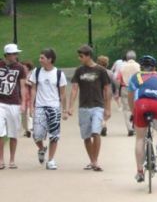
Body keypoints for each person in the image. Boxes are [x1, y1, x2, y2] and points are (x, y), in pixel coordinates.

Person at [128, 54, 157, 183]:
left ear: (141, 66)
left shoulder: (135, 77)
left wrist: (133, 111)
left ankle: (139, 172)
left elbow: (130, 97)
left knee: (140, 139)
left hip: (141, 105)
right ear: (154, 67)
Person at [67, 44, 111, 172]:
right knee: (86, 136)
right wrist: (71, 106)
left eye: (81, 56)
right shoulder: (79, 71)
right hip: (84, 107)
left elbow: (107, 89)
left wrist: (107, 108)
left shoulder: (101, 70)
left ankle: (95, 161)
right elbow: (74, 89)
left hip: (98, 105)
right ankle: (92, 160)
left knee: (96, 132)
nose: (79, 58)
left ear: (88, 56)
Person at [29, 48, 68, 170]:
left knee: (54, 136)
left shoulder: (59, 74)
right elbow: (34, 89)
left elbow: (62, 94)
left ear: (50, 59)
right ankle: (41, 149)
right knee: (36, 134)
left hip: (54, 107)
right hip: (40, 106)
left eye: (42, 58)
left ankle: (51, 160)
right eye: (40, 57)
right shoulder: (37, 71)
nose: (39, 60)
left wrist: (64, 110)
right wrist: (31, 106)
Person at [0, 43, 28, 169]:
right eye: (14, 53)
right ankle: (1, 160)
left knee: (13, 133)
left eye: (17, 53)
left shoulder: (20, 68)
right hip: (1, 103)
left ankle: (12, 159)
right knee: (0, 133)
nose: (16, 56)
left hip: (14, 103)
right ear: (7, 55)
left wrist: (23, 103)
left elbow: (22, 87)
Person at [117, 50, 140, 136]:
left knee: (126, 109)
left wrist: (117, 90)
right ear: (135, 57)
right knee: (136, 107)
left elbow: (118, 79)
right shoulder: (139, 66)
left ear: (126, 58)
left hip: (125, 88)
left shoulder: (122, 67)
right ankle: (135, 126)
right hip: (136, 89)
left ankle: (129, 128)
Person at [96, 55, 116, 136]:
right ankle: (104, 123)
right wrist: (115, 92)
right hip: (108, 93)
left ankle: (101, 125)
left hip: (97, 93)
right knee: (107, 112)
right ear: (106, 63)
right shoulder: (110, 73)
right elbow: (114, 83)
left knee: (99, 110)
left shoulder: (95, 72)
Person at [21, 60, 35, 138]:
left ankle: (30, 129)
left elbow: (34, 85)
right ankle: (26, 129)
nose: (23, 68)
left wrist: (26, 82)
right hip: (22, 98)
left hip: (29, 97)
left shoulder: (31, 75)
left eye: (24, 67)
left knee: (28, 114)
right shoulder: (21, 75)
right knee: (23, 116)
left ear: (28, 68)